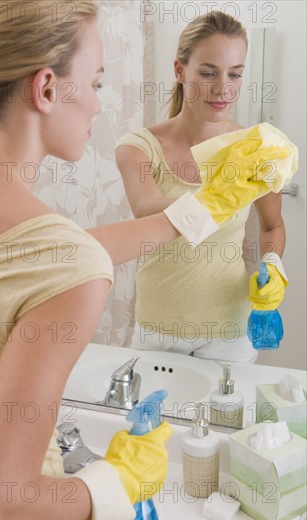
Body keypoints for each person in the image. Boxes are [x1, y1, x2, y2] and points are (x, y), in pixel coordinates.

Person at [0, 2, 294, 520]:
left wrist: (210, 214)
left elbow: (63, 253)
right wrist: (117, 480)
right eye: (97, 83)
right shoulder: (67, 260)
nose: (102, 106)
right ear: (47, 89)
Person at [115, 11, 291, 363]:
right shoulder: (138, 146)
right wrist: (216, 196)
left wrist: (272, 263)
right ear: (180, 71)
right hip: (158, 329)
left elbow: (272, 226)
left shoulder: (256, 149)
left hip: (230, 330)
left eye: (235, 74)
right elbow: (146, 209)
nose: (223, 88)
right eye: (208, 73)